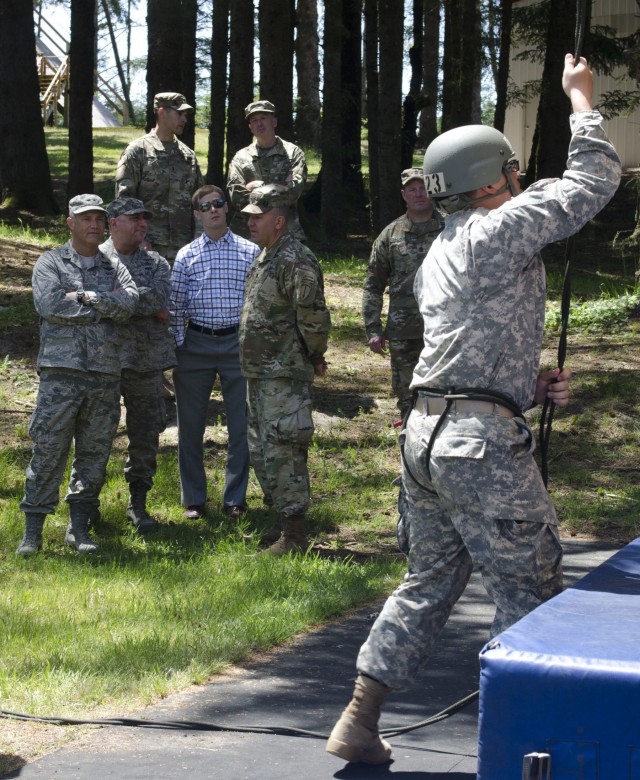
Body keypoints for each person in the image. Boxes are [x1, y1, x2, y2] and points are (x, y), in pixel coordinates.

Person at [327, 54, 621, 765]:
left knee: (429, 581)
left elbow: (473, 338)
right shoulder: (499, 228)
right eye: (513, 170)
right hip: (476, 443)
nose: (520, 179)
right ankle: (524, 745)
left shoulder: (441, 249)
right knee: (532, 585)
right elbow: (592, 182)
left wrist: (523, 388)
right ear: (495, 178)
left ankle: (361, 719)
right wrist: (583, 101)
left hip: (429, 433)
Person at [16, 195, 138, 556]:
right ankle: (33, 531)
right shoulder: (50, 262)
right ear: (70, 223)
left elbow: (130, 303)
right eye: (86, 218)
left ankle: (79, 528)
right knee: (49, 451)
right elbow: (51, 305)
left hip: (103, 375)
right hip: (61, 374)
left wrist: (85, 297)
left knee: (94, 454)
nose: (95, 225)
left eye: (100, 219)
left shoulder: (114, 266)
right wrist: (104, 306)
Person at [239, 183, 331, 554]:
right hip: (259, 373)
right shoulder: (265, 257)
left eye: (256, 217)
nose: (250, 223)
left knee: (284, 450)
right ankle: (280, 522)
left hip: (283, 373)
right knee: (262, 451)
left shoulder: (296, 259)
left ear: (278, 221)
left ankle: (294, 535)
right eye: (247, 217)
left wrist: (313, 355)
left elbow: (313, 318)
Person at [169, 185, 259, 521]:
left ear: (227, 208)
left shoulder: (250, 252)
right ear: (197, 214)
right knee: (190, 426)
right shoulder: (186, 255)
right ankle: (194, 498)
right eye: (205, 207)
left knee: (241, 426)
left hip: (238, 344)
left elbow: (258, 300)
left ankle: (234, 498)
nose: (213, 210)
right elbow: (176, 306)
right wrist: (179, 345)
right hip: (195, 345)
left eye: (218, 204)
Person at [100, 197, 176, 533]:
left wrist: (115, 298)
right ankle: (86, 508)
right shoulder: (93, 259)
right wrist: (134, 300)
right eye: (134, 218)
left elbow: (159, 298)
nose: (143, 224)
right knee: (96, 436)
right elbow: (90, 298)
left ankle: (138, 504)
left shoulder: (157, 262)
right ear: (114, 222)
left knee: (146, 436)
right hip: (103, 362)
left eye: (145, 218)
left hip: (146, 363)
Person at [363, 168, 444, 419]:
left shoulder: (450, 227)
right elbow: (373, 284)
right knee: (408, 396)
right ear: (404, 194)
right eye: (412, 189)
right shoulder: (390, 234)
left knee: (444, 391)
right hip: (404, 330)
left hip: (445, 328)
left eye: (423, 188)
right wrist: (373, 328)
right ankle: (409, 443)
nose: (419, 194)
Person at [115, 92, 204, 263]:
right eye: (179, 113)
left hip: (184, 251)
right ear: (162, 112)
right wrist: (138, 239)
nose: (184, 119)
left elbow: (199, 202)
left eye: (185, 115)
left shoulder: (188, 156)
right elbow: (124, 201)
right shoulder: (138, 151)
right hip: (146, 249)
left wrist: (199, 240)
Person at [227, 100, 307, 241]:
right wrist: (280, 187)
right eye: (254, 120)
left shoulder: (293, 153)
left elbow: (295, 190)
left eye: (264, 118)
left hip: (285, 231)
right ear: (250, 127)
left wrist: (252, 188)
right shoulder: (241, 157)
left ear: (274, 122)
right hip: (249, 233)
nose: (259, 123)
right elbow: (237, 196)